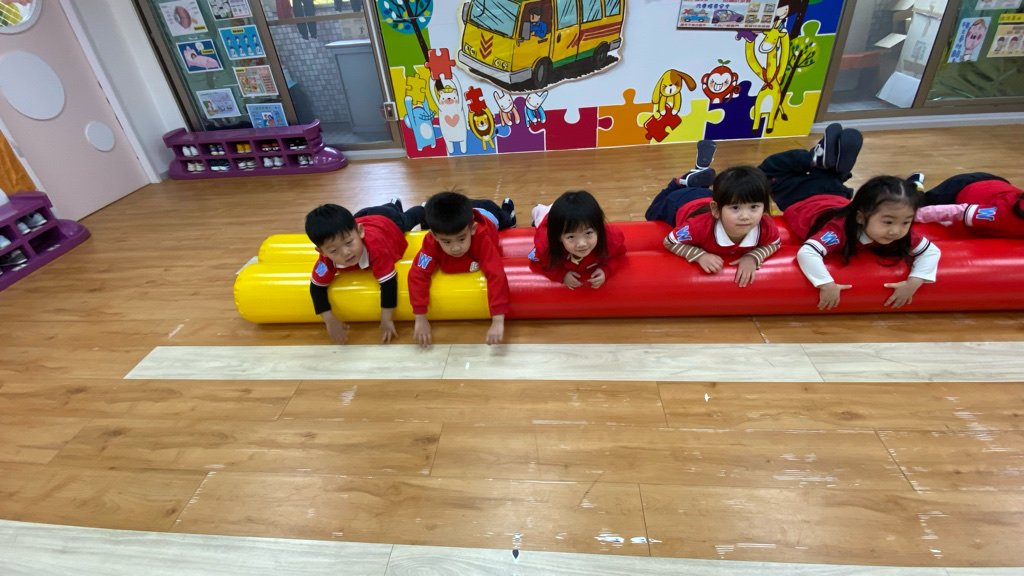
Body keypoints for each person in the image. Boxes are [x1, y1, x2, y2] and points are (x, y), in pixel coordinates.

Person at [760, 123, 940, 310]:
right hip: (800, 196)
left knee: (826, 173)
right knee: (766, 173)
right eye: (888, 222)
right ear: (861, 217)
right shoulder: (838, 231)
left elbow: (931, 251)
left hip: (837, 193)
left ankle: (825, 160)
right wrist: (826, 284)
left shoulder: (898, 233)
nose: (896, 230)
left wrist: (914, 282)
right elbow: (808, 252)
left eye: (906, 222)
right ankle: (812, 158)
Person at [647, 140, 780, 287]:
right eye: (735, 208)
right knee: (651, 214)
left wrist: (753, 257)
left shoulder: (764, 226)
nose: (745, 216)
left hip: (709, 197)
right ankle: (680, 183)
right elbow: (670, 241)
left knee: (708, 190)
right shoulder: (699, 226)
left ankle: (699, 175)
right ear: (715, 210)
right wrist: (700, 256)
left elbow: (775, 243)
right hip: (681, 200)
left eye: (754, 207)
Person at [306, 199, 426, 344]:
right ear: (322, 252)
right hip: (364, 217)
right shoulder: (325, 261)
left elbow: (389, 284)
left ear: (360, 232)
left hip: (387, 222)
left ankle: (422, 209)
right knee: (382, 212)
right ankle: (393, 205)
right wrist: (329, 320)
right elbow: (316, 287)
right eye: (334, 250)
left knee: (406, 220)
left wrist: (386, 318)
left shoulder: (376, 248)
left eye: (349, 243)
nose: (346, 253)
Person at [408, 191, 516, 347]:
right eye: (447, 242)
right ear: (434, 236)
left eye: (461, 239)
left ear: (473, 229)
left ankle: (507, 207)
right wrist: (420, 317)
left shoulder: (481, 238)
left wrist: (498, 320)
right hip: (461, 214)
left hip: (489, 212)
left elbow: (496, 274)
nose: (456, 248)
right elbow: (417, 274)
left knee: (506, 220)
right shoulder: (431, 242)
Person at [529, 191, 627, 289]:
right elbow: (538, 263)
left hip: (567, 216)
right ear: (559, 237)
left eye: (588, 233)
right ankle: (538, 208)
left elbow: (619, 255)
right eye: (571, 237)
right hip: (548, 215)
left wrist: (607, 269)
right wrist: (561, 274)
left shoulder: (611, 239)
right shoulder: (545, 245)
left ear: (598, 230)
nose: (582, 243)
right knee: (539, 212)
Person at [914, 172, 1024, 237]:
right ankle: (915, 185)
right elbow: (958, 211)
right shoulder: (1000, 215)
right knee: (916, 204)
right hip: (961, 186)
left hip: (996, 187)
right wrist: (912, 215)